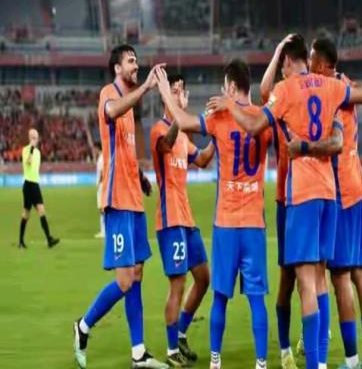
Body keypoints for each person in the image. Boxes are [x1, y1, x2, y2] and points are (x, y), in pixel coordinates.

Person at [207, 34, 362, 369]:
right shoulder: (330, 86)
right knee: (318, 278)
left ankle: (307, 360)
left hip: (298, 195)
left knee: (302, 281)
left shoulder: (285, 91)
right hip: (329, 194)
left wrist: (229, 104)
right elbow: (358, 101)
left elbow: (256, 120)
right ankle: (316, 360)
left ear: (286, 62)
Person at [155, 59, 272, 369]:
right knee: (257, 298)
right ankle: (261, 363)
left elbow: (182, 120)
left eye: (224, 86)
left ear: (231, 87)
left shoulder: (220, 116)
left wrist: (165, 90)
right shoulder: (264, 118)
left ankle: (216, 362)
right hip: (254, 223)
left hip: (226, 222)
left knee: (220, 296)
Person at [73, 44, 167, 369]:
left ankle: (138, 353)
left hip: (134, 198)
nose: (136, 65)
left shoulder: (128, 106)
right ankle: (83, 326)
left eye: (137, 61)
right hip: (117, 198)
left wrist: (140, 176)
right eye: (131, 61)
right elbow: (110, 112)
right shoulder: (109, 94)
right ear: (117, 68)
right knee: (125, 280)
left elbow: (124, 151)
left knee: (137, 274)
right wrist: (147, 87)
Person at [259, 35, 342, 369]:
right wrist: (278, 51)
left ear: (290, 63)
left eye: (283, 62)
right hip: (290, 196)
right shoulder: (288, 92)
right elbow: (264, 90)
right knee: (291, 279)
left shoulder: (293, 90)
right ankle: (286, 350)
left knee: (309, 279)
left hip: (299, 195)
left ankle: (314, 349)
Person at [310, 38, 362, 369]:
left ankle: (352, 360)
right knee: (360, 272)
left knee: (340, 277)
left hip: (343, 193)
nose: (310, 66)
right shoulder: (344, 83)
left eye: (313, 61)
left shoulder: (331, 91)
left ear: (323, 65)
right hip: (360, 186)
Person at [150, 74, 214, 367]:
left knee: (203, 278)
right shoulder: (158, 130)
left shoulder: (185, 138)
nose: (179, 94)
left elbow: (203, 160)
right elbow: (166, 143)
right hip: (169, 220)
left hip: (187, 219)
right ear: (165, 95)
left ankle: (181, 333)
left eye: (181, 90)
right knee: (177, 284)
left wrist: (218, 134)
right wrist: (180, 115)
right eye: (173, 91)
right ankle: (171, 349)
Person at [17, 128, 59, 249]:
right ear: (30, 138)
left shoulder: (38, 152)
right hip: (28, 185)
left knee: (41, 211)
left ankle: (49, 239)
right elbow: (28, 162)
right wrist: (31, 148)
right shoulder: (26, 150)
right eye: (34, 137)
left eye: (37, 137)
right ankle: (21, 241)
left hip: (35, 184)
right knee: (26, 214)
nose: (36, 139)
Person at [94, 142, 105, 239]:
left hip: (102, 185)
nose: (94, 151)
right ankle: (104, 230)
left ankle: (103, 231)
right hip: (103, 185)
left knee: (102, 208)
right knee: (102, 208)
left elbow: (102, 172)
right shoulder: (102, 158)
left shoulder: (101, 159)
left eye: (94, 149)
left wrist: (99, 183)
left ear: (97, 148)